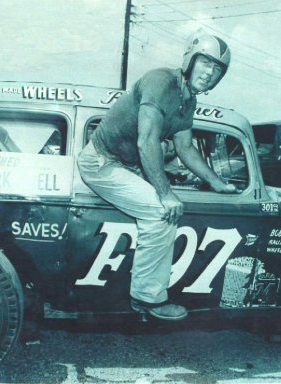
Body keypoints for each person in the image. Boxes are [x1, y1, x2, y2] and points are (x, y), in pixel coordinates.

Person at [77, 32, 236, 321]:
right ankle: (146, 297)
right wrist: (165, 193)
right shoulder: (161, 81)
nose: (210, 72)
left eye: (217, 69)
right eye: (205, 63)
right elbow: (146, 140)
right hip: (102, 162)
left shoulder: (188, 102)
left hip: (124, 166)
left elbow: (185, 147)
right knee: (161, 213)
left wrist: (215, 181)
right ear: (190, 60)